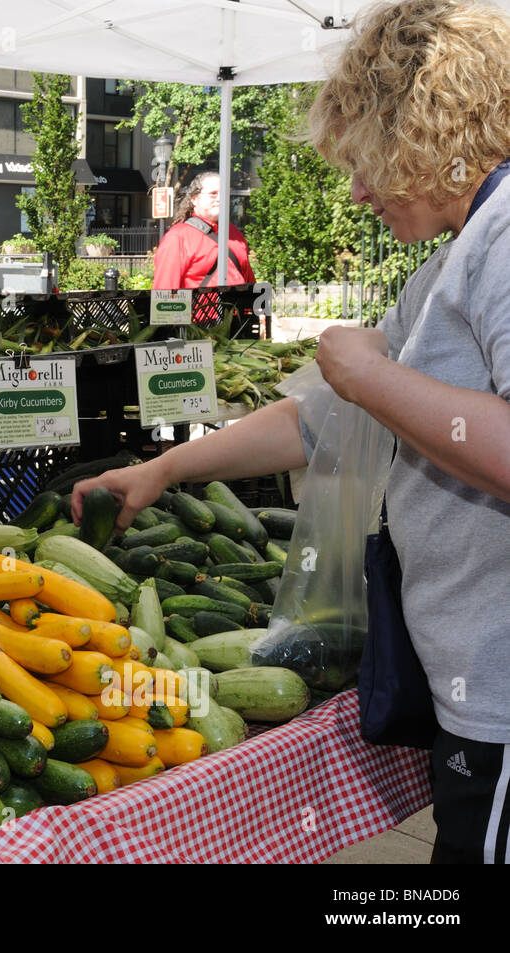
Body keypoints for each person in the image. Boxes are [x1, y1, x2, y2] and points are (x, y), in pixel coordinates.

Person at [74, 0, 510, 864]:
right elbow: (315, 418)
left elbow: (370, 395)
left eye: (366, 162)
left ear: (425, 127)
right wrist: (165, 469)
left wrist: (374, 378)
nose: (355, 191)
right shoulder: (457, 258)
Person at [152, 171, 256, 290]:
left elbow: (250, 285)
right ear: (194, 199)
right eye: (213, 194)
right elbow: (164, 293)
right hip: (199, 308)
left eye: (224, 194)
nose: (220, 199)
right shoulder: (177, 237)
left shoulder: (235, 233)